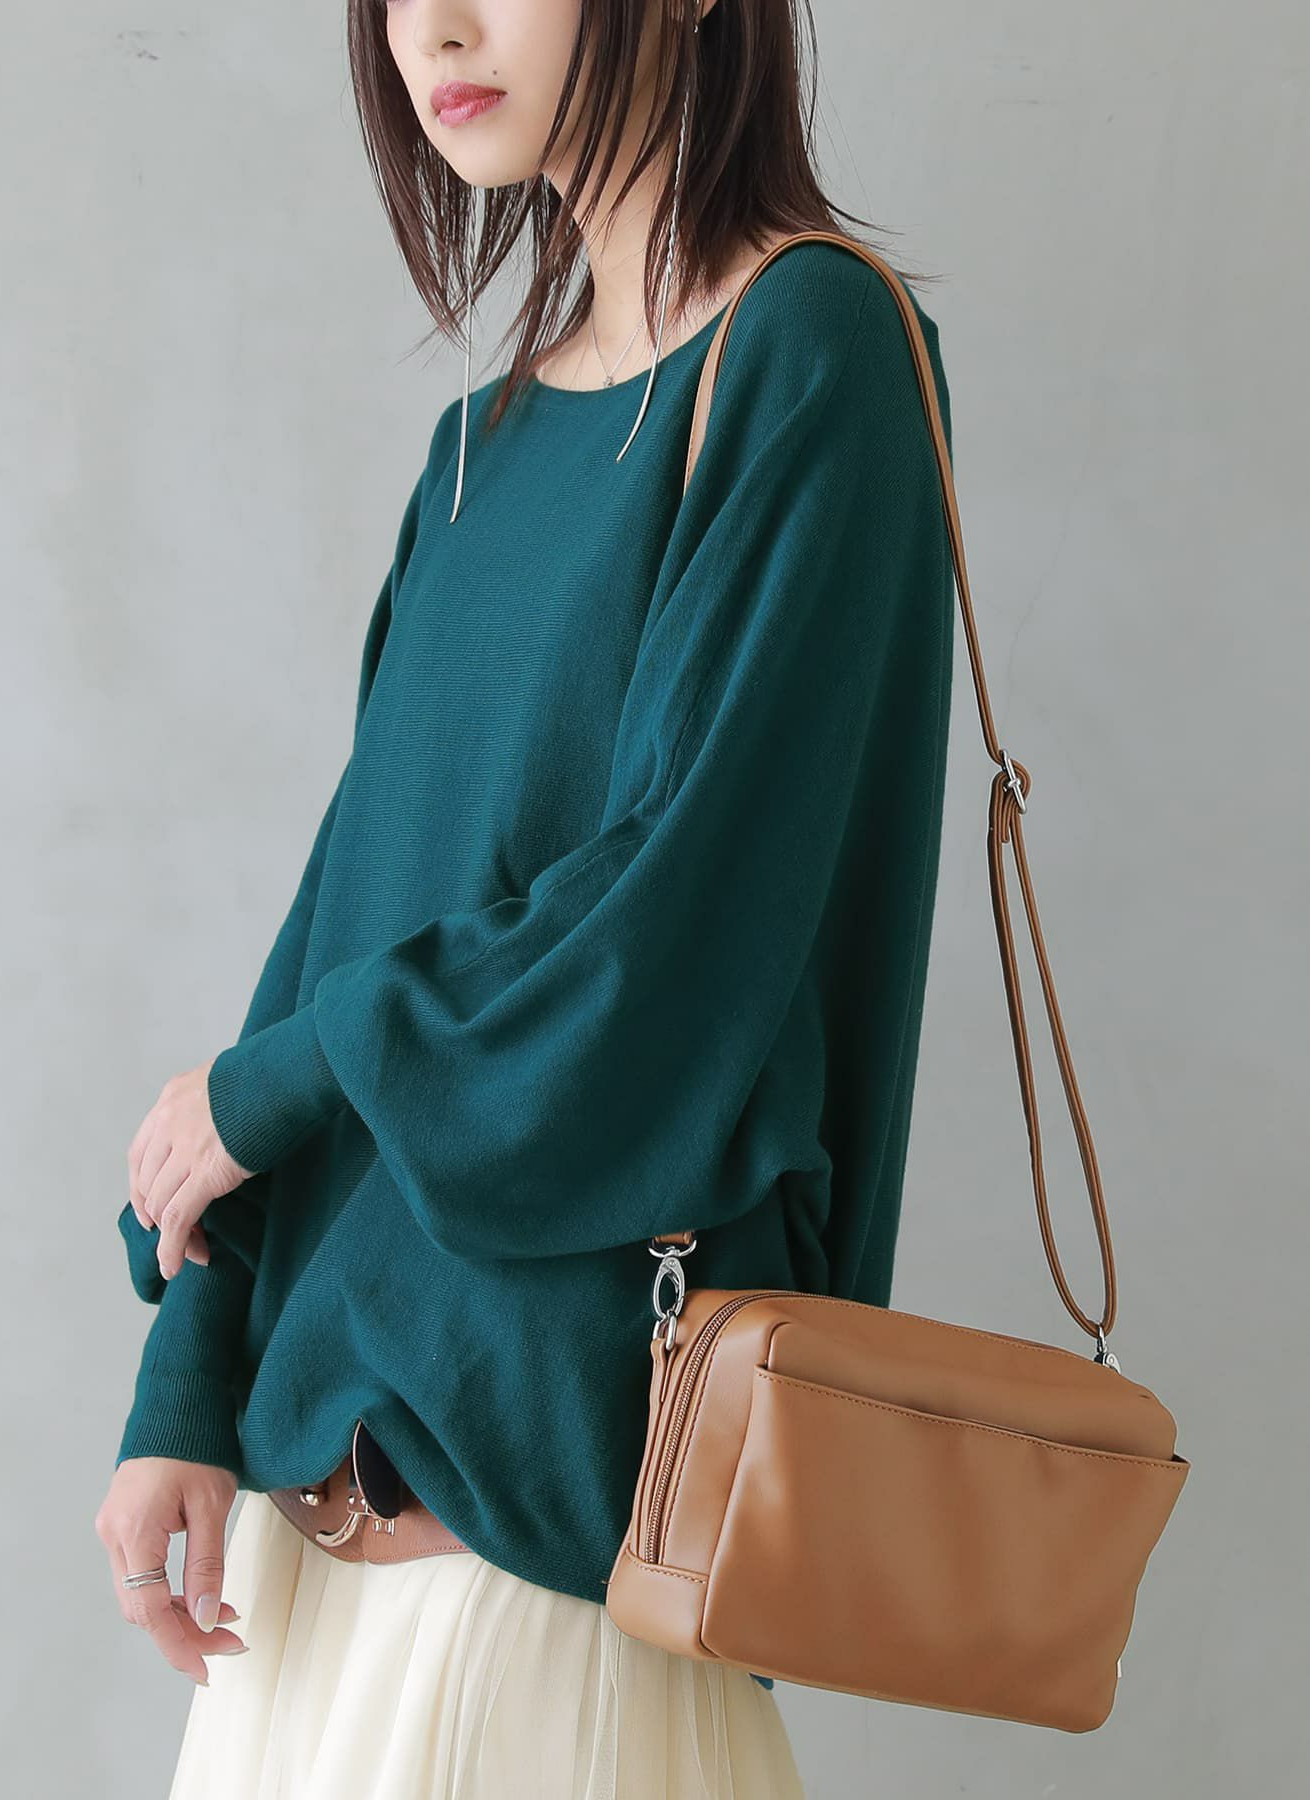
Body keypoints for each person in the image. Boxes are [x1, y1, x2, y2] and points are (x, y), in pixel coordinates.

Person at [94, 1, 955, 1793]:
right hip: (305, 1567)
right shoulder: (479, 446)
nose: (438, 28)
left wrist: (276, 1081)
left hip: (561, 1556)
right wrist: (188, 1383)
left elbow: (675, 945)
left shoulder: (814, 349)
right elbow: (339, 931)